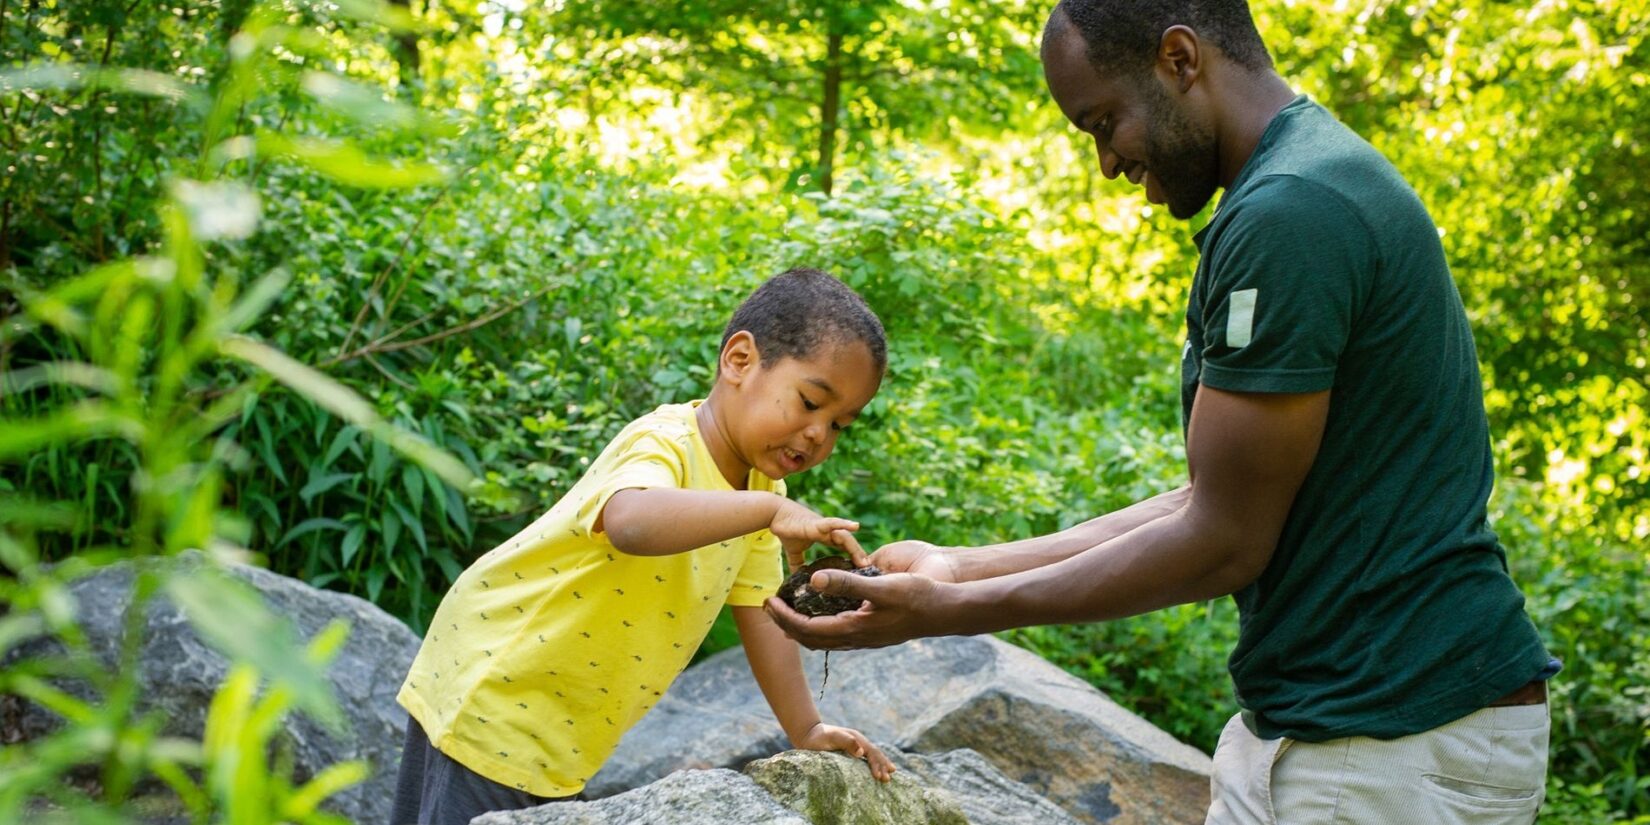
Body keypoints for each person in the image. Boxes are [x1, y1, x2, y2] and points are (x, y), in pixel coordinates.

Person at [764, 2, 1556, 822]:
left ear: (1180, 60)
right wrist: (960, 566)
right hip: (1339, 727)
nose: (1107, 163)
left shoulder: (1292, 215)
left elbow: (1224, 542)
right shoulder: (1300, 186)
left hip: (1390, 736)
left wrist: (950, 613)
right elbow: (1210, 499)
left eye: (1105, 121)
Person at [393, 268, 896, 825]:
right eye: (808, 402)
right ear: (739, 360)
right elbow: (630, 521)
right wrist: (772, 512)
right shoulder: (667, 444)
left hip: (562, 732)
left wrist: (805, 728)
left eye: (839, 425)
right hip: (498, 693)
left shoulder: (761, 493)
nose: (817, 434)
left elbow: (758, 609)